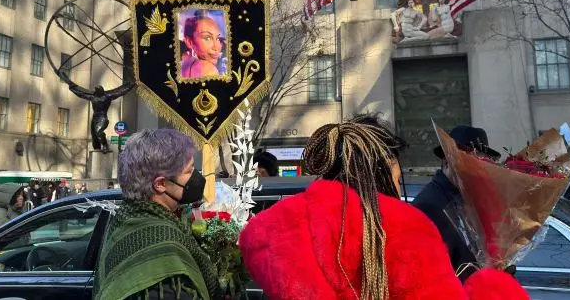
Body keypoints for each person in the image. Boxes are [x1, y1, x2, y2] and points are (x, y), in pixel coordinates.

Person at [239, 115, 528, 300]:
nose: (399, 175)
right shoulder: (404, 230)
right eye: (395, 166)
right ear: (383, 167)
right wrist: (495, 285)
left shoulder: (277, 228)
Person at [94, 129, 221, 300]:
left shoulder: (125, 219)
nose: (196, 177)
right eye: (189, 171)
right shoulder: (162, 246)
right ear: (160, 184)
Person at [413, 125, 502, 281]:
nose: (477, 168)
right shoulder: (428, 205)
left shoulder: (471, 200)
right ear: (448, 160)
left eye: (481, 161)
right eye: (469, 159)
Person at [181, 10, 225, 78]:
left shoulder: (185, 64)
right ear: (189, 42)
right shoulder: (208, 69)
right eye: (207, 38)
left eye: (218, 38)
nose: (217, 47)